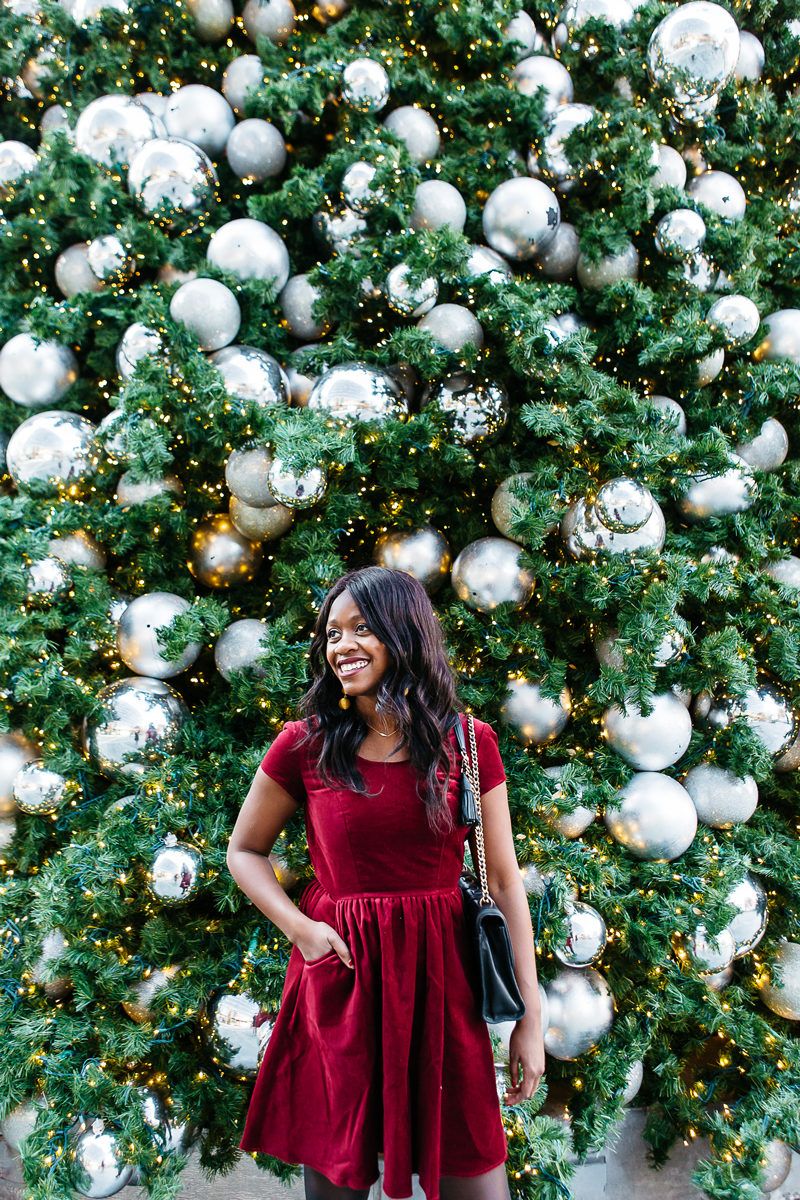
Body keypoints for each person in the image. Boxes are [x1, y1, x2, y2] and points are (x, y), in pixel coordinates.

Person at [227, 565, 545, 1200]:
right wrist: (301, 930)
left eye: (361, 628)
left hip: (442, 988)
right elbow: (245, 851)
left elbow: (506, 883)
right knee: (337, 1180)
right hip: (342, 984)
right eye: (332, 633)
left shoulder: (470, 744)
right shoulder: (304, 745)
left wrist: (530, 1018)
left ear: (405, 633)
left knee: (476, 1178)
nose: (342, 646)